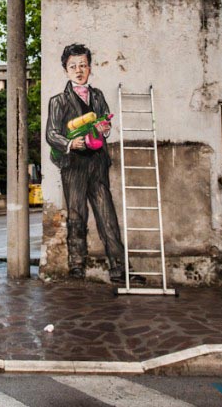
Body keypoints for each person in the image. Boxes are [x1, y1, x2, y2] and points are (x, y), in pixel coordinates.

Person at [46, 43, 137, 285]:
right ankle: (77, 266)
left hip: (97, 163)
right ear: (65, 69)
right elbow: (51, 134)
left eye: (83, 65)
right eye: (73, 66)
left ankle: (119, 269)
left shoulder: (98, 96)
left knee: (108, 217)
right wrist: (70, 143)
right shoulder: (58, 101)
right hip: (73, 165)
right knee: (77, 215)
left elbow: (105, 123)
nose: (79, 70)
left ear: (90, 68)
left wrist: (105, 129)